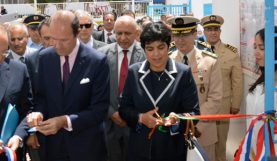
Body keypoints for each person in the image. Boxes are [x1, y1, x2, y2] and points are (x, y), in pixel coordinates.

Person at [26, 10, 110, 161]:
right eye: (53, 39)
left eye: (63, 40)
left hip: (87, 148)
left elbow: (100, 110)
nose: (57, 46)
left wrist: (65, 121)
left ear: (77, 33)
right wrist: (38, 113)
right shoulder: (45, 58)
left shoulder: (97, 61)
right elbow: (42, 98)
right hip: (53, 148)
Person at [118, 22, 200, 161]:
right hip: (139, 148)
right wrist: (141, 118)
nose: (156, 54)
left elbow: (194, 113)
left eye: (161, 47)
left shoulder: (183, 73)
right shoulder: (134, 72)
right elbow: (124, 109)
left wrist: (176, 120)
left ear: (169, 46)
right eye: (150, 49)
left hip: (172, 149)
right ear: (144, 49)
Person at [168, 16, 223, 161]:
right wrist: (178, 124)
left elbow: (216, 98)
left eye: (185, 34)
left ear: (195, 34)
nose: (181, 40)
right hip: (174, 131)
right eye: (177, 35)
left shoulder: (210, 61)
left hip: (203, 131)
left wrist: (194, 124)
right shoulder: (167, 62)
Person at [98, 15, 145, 161]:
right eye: (119, 33)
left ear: (137, 33)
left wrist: (130, 115)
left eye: (127, 33)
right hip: (109, 123)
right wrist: (112, 113)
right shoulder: (101, 55)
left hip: (136, 125)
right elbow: (97, 89)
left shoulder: (146, 55)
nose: (123, 38)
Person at [201, 15, 244, 161]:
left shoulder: (231, 53)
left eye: (216, 29)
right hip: (202, 106)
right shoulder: (196, 52)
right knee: (202, 141)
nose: (213, 32)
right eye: (209, 29)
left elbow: (237, 81)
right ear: (204, 31)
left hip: (222, 106)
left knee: (220, 142)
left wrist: (235, 104)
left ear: (220, 31)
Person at [0, 25, 33, 161]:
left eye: (4, 52)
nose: (1, 58)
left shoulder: (18, 70)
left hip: (10, 152)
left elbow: (27, 109)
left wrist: (18, 136)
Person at [246, 27, 277, 160]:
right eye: (255, 47)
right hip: (254, 150)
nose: (256, 53)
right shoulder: (262, 81)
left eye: (262, 48)